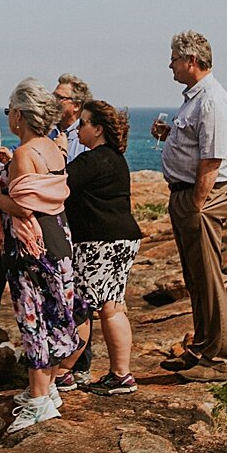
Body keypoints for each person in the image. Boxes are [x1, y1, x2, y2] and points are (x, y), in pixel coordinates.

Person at [0, 73, 91, 348]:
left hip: (49, 225)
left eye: (60, 97)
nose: (55, 101)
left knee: (46, 309)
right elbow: (35, 178)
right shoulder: (50, 142)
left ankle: (58, 374)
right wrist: (4, 163)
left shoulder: (75, 138)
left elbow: (28, 198)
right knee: (57, 302)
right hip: (54, 223)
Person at [0, 78, 85, 434]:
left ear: (21, 115)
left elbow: (23, 207)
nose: (8, 116)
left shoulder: (25, 155)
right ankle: (47, 390)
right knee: (56, 318)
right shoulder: (53, 148)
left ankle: (39, 405)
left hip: (31, 247)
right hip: (59, 237)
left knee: (34, 321)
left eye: (9, 110)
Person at [150, 31, 227, 377]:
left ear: (191, 61)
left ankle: (217, 356)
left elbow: (212, 160)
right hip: (186, 194)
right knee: (194, 276)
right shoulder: (195, 99)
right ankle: (202, 346)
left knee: (207, 275)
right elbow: (194, 143)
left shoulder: (212, 100)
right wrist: (169, 134)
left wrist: (196, 205)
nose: (169, 64)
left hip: (200, 197)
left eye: (174, 57)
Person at [65, 99, 142, 395]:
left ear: (97, 129)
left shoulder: (91, 161)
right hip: (123, 240)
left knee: (81, 307)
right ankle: (121, 375)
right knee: (111, 307)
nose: (77, 128)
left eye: (82, 123)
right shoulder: (115, 159)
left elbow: (57, 185)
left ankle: (61, 372)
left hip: (98, 242)